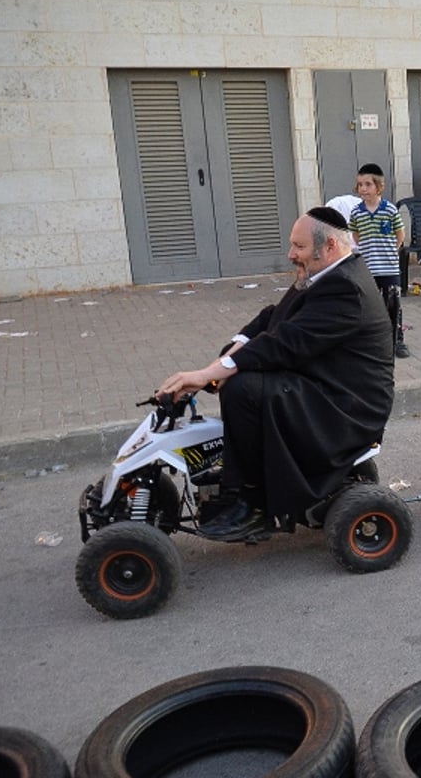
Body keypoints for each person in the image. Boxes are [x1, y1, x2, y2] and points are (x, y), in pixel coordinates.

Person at [156, 206, 394, 541]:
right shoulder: (325, 273)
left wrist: (213, 374)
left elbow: (285, 343)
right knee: (238, 376)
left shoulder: (346, 288)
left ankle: (253, 502)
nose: (290, 254)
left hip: (346, 407)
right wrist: (219, 364)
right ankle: (246, 470)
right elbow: (273, 318)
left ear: (328, 246)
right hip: (328, 386)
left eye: (298, 247)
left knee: (243, 389)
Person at [349, 163, 410, 358]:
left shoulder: (389, 209)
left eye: (368, 184)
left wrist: (394, 248)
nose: (363, 189)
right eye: (360, 185)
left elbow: (400, 232)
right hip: (369, 269)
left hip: (390, 269)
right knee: (370, 305)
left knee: (393, 304)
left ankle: (397, 339)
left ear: (379, 187)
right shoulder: (357, 212)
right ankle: (373, 340)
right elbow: (355, 234)